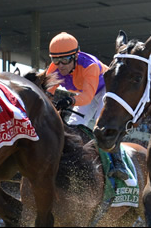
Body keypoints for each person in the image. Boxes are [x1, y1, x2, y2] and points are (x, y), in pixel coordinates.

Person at [45, 32, 127, 180]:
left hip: (105, 90)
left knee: (102, 126)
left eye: (65, 60)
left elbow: (88, 97)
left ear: (76, 56)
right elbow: (46, 94)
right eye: (55, 60)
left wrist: (69, 101)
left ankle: (119, 164)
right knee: (72, 126)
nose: (60, 66)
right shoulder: (54, 69)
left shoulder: (90, 66)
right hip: (86, 92)